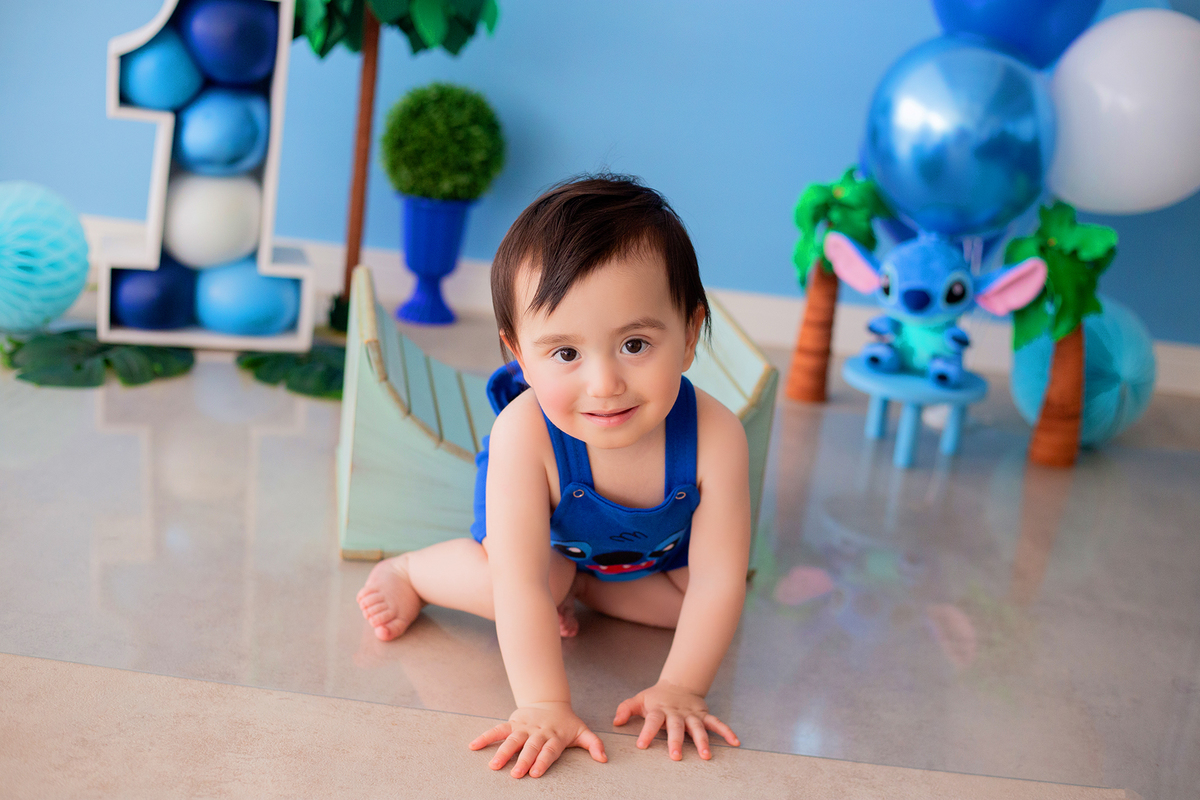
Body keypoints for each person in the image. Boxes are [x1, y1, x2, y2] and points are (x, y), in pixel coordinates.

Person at [356, 175, 751, 778]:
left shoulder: (716, 438)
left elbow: (720, 579)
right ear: (517, 352)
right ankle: (415, 570)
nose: (604, 384)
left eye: (636, 344)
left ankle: (583, 587)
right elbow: (517, 584)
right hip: (544, 540)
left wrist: (681, 686)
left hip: (644, 556)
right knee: (526, 586)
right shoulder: (526, 435)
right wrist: (543, 704)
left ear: (691, 333)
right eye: (565, 354)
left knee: (697, 611)